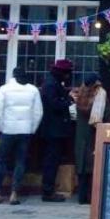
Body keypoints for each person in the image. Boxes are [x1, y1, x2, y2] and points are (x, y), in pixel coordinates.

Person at [0, 66, 43, 205]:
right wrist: (32, 128)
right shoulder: (33, 90)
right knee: (20, 162)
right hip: (25, 131)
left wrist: (0, 126)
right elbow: (38, 113)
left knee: (1, 160)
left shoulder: (4, 89)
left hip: (8, 130)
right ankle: (14, 193)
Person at [38, 58, 74, 202]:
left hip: (54, 129)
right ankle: (48, 192)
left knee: (52, 160)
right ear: (62, 72)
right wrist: (69, 100)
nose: (68, 76)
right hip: (53, 130)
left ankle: (49, 189)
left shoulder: (53, 82)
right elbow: (55, 104)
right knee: (51, 161)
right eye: (67, 73)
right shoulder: (51, 84)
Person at [74, 72, 110, 204]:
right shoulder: (99, 94)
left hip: (80, 135)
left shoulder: (81, 93)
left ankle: (81, 197)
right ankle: (91, 197)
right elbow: (103, 115)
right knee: (93, 166)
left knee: (82, 167)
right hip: (93, 134)